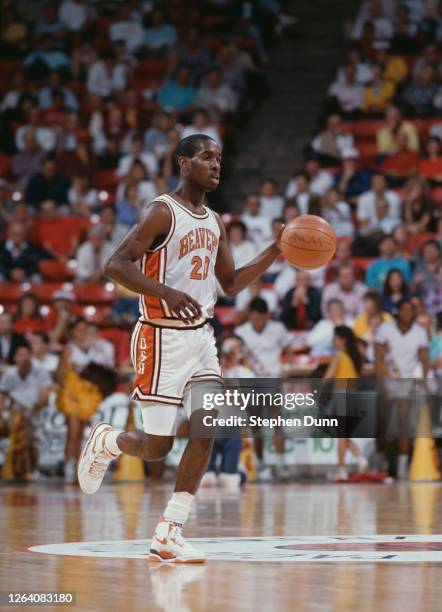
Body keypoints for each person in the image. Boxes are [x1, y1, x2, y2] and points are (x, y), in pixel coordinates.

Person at [77, 134, 286, 563]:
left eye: (219, 158)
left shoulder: (214, 222)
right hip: (159, 334)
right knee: (158, 447)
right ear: (183, 162)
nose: (215, 165)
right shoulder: (161, 211)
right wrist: (166, 292)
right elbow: (115, 265)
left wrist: (274, 251)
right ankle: (108, 441)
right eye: (206, 157)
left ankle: (170, 529)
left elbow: (228, 284)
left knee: (208, 425)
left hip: (200, 337)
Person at [375, 299, 429, 478]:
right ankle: (381, 459)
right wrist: (380, 379)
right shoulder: (385, 329)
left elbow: (424, 358)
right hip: (389, 378)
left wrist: (422, 380)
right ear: (397, 311)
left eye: (410, 310)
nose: (407, 313)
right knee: (382, 422)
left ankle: (402, 465)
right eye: (403, 309)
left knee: (402, 421)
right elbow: (379, 356)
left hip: (407, 380)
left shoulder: (419, 332)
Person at [0, 343, 52, 480]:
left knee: (33, 437)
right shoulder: (10, 373)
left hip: (34, 411)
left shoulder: (41, 371)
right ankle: (12, 469)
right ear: (15, 358)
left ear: (30, 356)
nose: (23, 358)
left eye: (25, 354)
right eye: (19, 355)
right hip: (13, 412)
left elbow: (45, 398)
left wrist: (31, 410)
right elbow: (2, 395)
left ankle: (33, 471)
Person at [323, 326, 368, 480]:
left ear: (343, 340)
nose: (332, 341)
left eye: (335, 338)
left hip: (341, 396)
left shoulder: (340, 356)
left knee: (341, 436)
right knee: (343, 435)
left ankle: (342, 469)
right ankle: (360, 459)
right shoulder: (357, 357)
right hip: (353, 396)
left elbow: (327, 378)